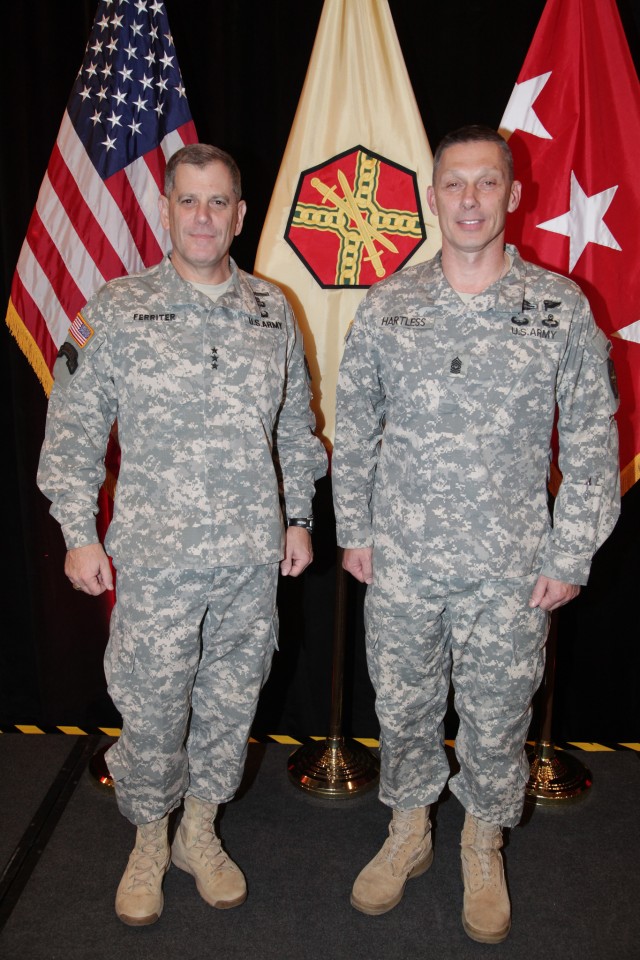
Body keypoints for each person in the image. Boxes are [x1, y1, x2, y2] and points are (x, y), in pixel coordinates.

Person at [331, 125, 620, 943]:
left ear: (512, 195)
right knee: (404, 704)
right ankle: (410, 830)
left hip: (511, 566)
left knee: (497, 715)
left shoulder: (558, 307)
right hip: (404, 561)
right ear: (433, 196)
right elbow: (354, 426)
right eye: (453, 183)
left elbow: (593, 435)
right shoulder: (390, 305)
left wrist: (572, 551)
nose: (469, 199)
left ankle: (482, 839)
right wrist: (354, 528)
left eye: (486, 184)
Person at [37, 143, 326, 926]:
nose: (203, 217)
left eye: (218, 202)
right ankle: (149, 838)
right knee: (155, 707)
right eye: (188, 201)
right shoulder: (119, 307)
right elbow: (72, 428)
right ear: (166, 210)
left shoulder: (274, 311)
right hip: (157, 563)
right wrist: (78, 530)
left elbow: (298, 430)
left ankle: (200, 832)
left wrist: (299, 516)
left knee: (231, 705)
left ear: (239, 214)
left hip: (248, 561)